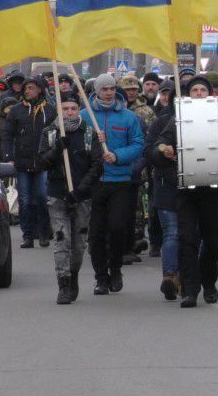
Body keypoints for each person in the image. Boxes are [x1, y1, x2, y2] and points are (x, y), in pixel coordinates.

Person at [151, 75, 218, 307]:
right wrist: (163, 149)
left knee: (213, 241)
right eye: (194, 90)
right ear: (188, 95)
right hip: (186, 189)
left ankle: (209, 282)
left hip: (214, 189)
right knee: (187, 239)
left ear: (210, 94)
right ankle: (190, 290)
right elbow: (156, 149)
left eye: (202, 91)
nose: (198, 94)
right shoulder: (178, 119)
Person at [81, 74, 145, 295]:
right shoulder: (85, 116)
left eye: (111, 88)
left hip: (120, 181)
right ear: (96, 91)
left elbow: (138, 145)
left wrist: (117, 156)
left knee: (117, 228)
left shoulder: (128, 117)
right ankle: (101, 277)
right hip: (95, 182)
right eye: (104, 88)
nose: (108, 92)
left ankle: (115, 267)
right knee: (96, 234)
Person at [38, 91, 103, 304]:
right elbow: (40, 163)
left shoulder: (88, 132)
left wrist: (80, 190)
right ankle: (63, 283)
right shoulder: (50, 132)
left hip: (82, 196)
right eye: (65, 108)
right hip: (57, 195)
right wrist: (57, 148)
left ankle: (73, 274)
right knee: (61, 239)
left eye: (73, 108)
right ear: (59, 110)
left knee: (79, 244)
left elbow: (96, 166)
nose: (69, 112)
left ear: (79, 110)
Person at [3, 76, 57, 248]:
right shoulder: (16, 110)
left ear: (40, 89)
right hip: (22, 162)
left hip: (43, 162)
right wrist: (8, 157)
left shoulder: (50, 110)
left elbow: (55, 135)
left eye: (31, 88)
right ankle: (28, 235)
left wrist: (54, 156)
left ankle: (43, 233)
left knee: (42, 197)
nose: (27, 91)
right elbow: (8, 135)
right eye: (25, 88)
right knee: (25, 200)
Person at [145, 91, 180, 299]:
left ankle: (185, 277)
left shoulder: (211, 120)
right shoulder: (162, 122)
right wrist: (162, 150)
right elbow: (149, 151)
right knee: (172, 233)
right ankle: (169, 276)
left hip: (197, 186)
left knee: (194, 235)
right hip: (167, 185)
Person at [119, 74, 156, 263]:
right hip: (118, 167)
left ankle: (136, 237)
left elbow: (151, 139)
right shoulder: (116, 111)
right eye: (127, 90)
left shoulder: (146, 112)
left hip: (140, 167)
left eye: (134, 89)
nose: (131, 93)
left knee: (138, 206)